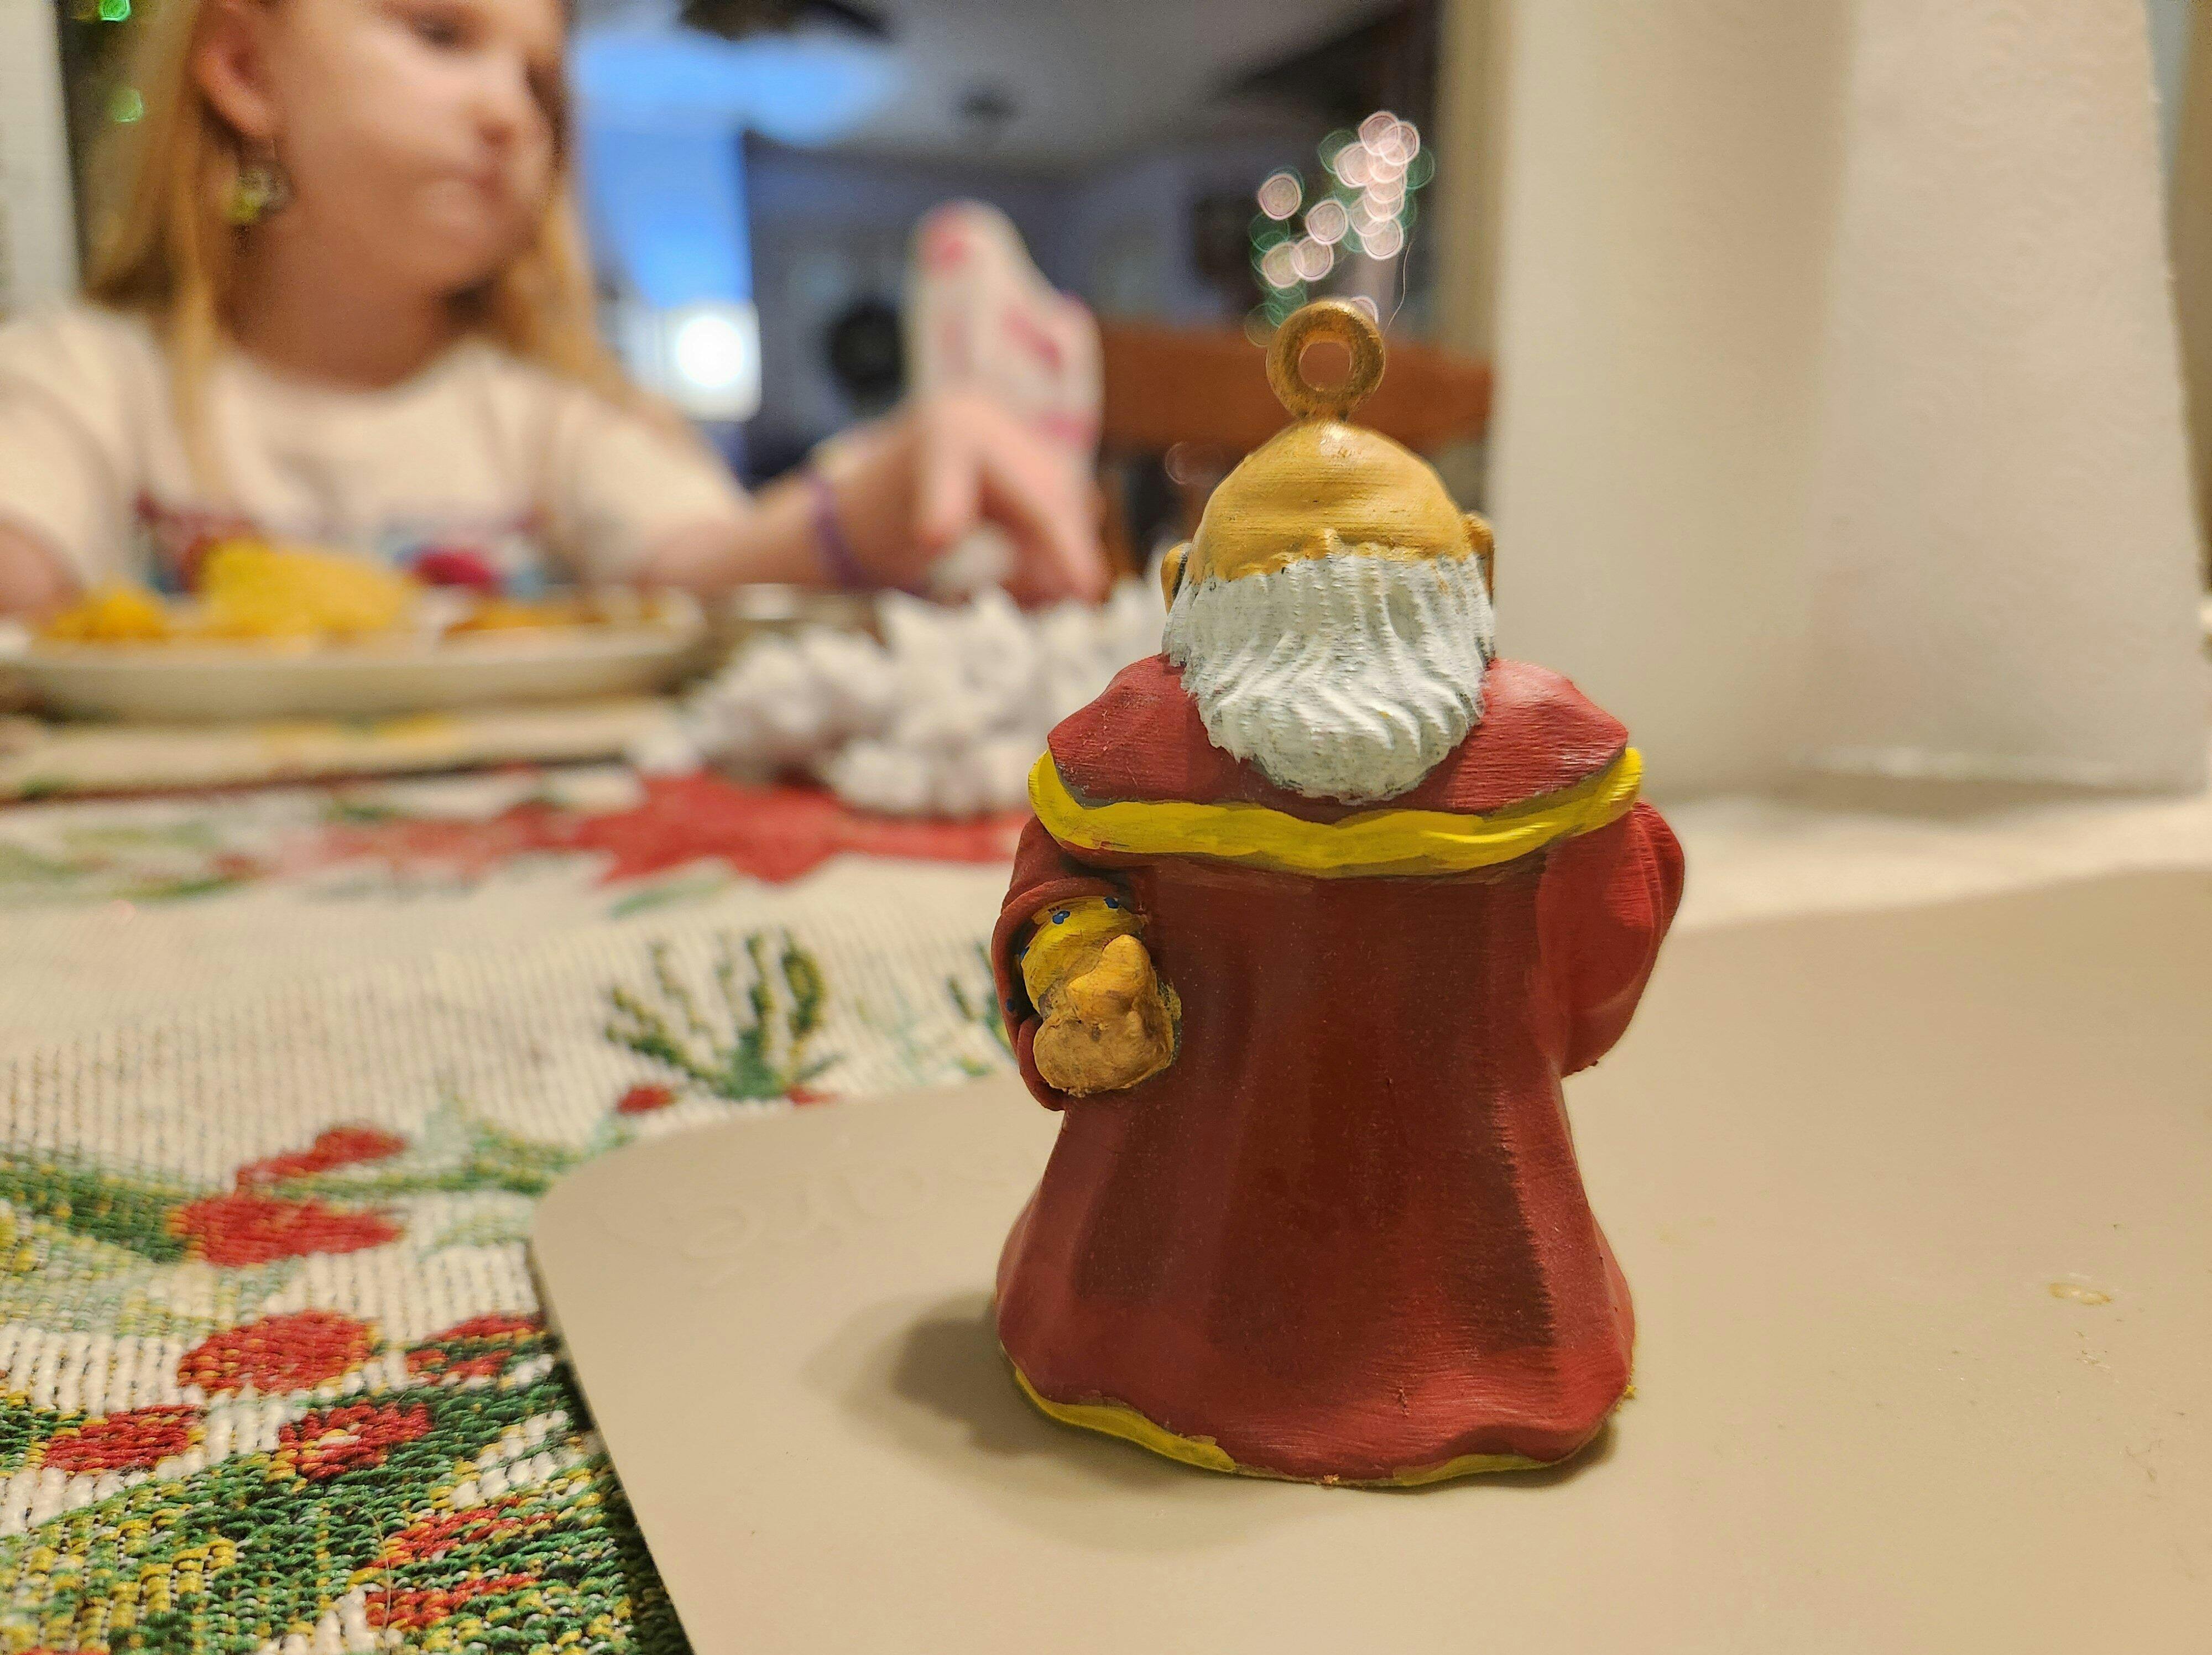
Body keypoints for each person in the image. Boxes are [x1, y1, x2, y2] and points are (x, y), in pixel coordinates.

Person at [988, 304, 1685, 1484]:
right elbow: (1611, 935)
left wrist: (1074, 947)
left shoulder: (1130, 754)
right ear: (1473, 570)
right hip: (1471, 1183)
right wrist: (1082, 961)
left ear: (1182, 588)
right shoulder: (1553, 764)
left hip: (1164, 1255)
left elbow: (1057, 878)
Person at [0, 0, 1105, 620]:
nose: (511, 116)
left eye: (539, 83)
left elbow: (702, 561)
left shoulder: (549, 409)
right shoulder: (87, 376)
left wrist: (877, 498)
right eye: (441, 34)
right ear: (245, 66)